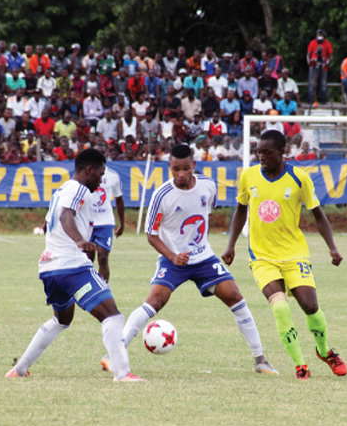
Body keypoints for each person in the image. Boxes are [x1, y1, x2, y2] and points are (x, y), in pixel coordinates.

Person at [100, 144, 277, 374]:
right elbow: (151, 235)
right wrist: (173, 256)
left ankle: (260, 359)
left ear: (194, 165)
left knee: (235, 296)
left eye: (186, 168)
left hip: (204, 259)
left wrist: (214, 247)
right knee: (154, 301)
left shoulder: (207, 185)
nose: (181, 174)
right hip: (173, 260)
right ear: (169, 168)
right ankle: (113, 355)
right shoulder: (161, 195)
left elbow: (206, 214)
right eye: (176, 169)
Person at [6, 149, 143, 382]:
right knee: (112, 316)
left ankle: (19, 369)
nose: (101, 180)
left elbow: (57, 219)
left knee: (62, 320)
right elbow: (65, 216)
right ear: (89, 170)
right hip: (71, 265)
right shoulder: (78, 189)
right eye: (100, 174)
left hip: (50, 267)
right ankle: (122, 374)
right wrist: (79, 240)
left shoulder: (61, 190)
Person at [222, 130, 347, 380]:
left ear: (283, 152)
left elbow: (318, 215)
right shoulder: (249, 177)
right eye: (258, 151)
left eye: (266, 152)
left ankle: (324, 351)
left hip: (294, 254)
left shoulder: (299, 179)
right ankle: (300, 364)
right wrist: (231, 244)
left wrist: (332, 247)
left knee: (310, 306)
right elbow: (240, 211)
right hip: (262, 257)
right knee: (280, 307)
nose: (261, 156)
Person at [87, 146, 125, 282]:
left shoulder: (113, 176)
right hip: (87, 222)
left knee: (103, 257)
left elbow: (119, 200)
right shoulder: (86, 175)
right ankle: (88, 289)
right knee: (87, 258)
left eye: (102, 153)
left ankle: (103, 291)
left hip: (105, 223)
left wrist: (122, 224)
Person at [306, 29, 332, 106]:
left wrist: (327, 62)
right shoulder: (312, 43)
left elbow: (330, 55)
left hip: (323, 65)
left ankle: (323, 99)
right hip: (314, 64)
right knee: (312, 82)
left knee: (323, 83)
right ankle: (310, 99)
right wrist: (309, 62)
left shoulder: (327, 43)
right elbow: (308, 54)